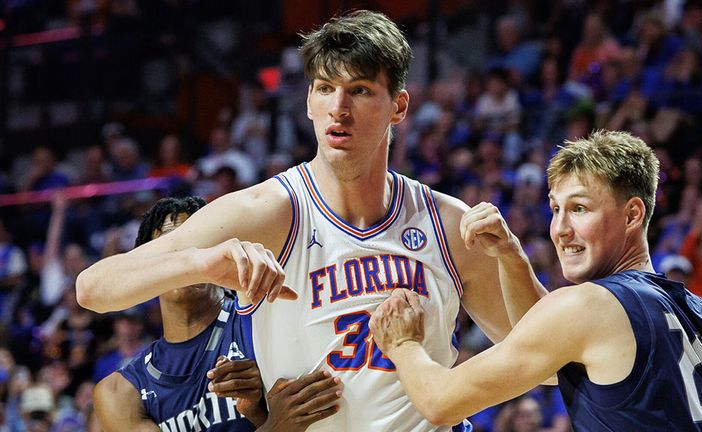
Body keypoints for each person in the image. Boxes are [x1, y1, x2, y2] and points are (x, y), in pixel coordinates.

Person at [76, 10, 523, 431]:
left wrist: (515, 260)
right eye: (325, 88)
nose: (339, 108)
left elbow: (539, 357)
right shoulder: (269, 211)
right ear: (309, 100)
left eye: (361, 90)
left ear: (399, 107)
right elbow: (93, 289)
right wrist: (204, 263)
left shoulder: (446, 223)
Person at [370, 130, 702, 431]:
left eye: (579, 209)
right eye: (555, 209)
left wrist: (403, 345)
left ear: (632, 215)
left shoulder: (592, 306)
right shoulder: (701, 315)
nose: (560, 230)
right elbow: (551, 356)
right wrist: (512, 257)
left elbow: (439, 403)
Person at [92, 197, 342, 431]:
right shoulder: (119, 392)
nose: (186, 257)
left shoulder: (264, 317)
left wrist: (257, 411)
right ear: (147, 268)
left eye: (198, 244)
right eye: (171, 247)